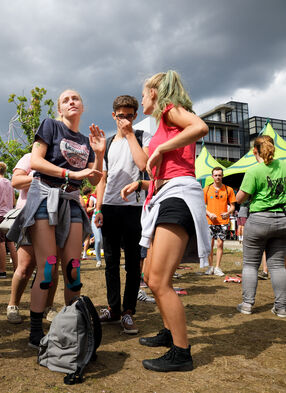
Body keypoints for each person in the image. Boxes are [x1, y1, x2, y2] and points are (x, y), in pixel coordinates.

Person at [121, 70, 209, 372]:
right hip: (162, 196)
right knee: (150, 273)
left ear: (156, 93)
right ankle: (170, 331)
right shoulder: (161, 123)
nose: (142, 98)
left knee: (158, 280)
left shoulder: (172, 111)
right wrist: (130, 134)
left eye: (144, 93)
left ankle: (181, 352)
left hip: (179, 195)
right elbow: (145, 164)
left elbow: (200, 127)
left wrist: (160, 148)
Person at [9, 89, 105, 348]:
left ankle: (72, 326)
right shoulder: (50, 126)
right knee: (48, 266)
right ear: (60, 110)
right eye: (66, 100)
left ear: (82, 107)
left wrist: (100, 153)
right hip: (45, 199)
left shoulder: (86, 141)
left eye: (76, 99)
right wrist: (68, 174)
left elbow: (95, 178)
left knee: (73, 268)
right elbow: (37, 162)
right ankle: (35, 331)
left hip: (72, 203)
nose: (72, 101)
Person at [94, 95, 151, 335]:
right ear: (113, 116)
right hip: (110, 206)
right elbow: (101, 179)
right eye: (120, 116)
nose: (125, 120)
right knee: (110, 263)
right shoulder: (106, 143)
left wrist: (129, 134)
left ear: (135, 116)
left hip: (134, 207)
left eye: (129, 116)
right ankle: (113, 308)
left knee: (132, 263)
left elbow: (144, 165)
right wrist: (98, 207)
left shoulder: (141, 136)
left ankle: (128, 311)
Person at [235, 135, 286, 317]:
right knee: (278, 265)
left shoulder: (254, 171)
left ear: (254, 151)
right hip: (282, 219)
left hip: (259, 220)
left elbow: (239, 198)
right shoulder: (284, 166)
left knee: (250, 264)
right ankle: (281, 307)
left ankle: (247, 304)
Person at [5, 153, 59, 324]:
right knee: (25, 266)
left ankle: (47, 307)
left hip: (55, 215)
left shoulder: (62, 160)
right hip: (30, 215)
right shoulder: (30, 157)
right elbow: (16, 182)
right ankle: (13, 305)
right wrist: (40, 178)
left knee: (51, 265)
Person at [203, 167, 236, 276]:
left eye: (219, 175)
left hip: (223, 221)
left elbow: (233, 206)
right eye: (216, 175)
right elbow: (202, 205)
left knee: (220, 244)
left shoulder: (228, 189)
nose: (217, 177)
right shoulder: (206, 189)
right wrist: (209, 213)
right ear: (212, 176)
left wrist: (228, 213)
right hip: (209, 221)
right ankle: (210, 267)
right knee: (210, 245)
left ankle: (217, 267)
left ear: (222, 176)